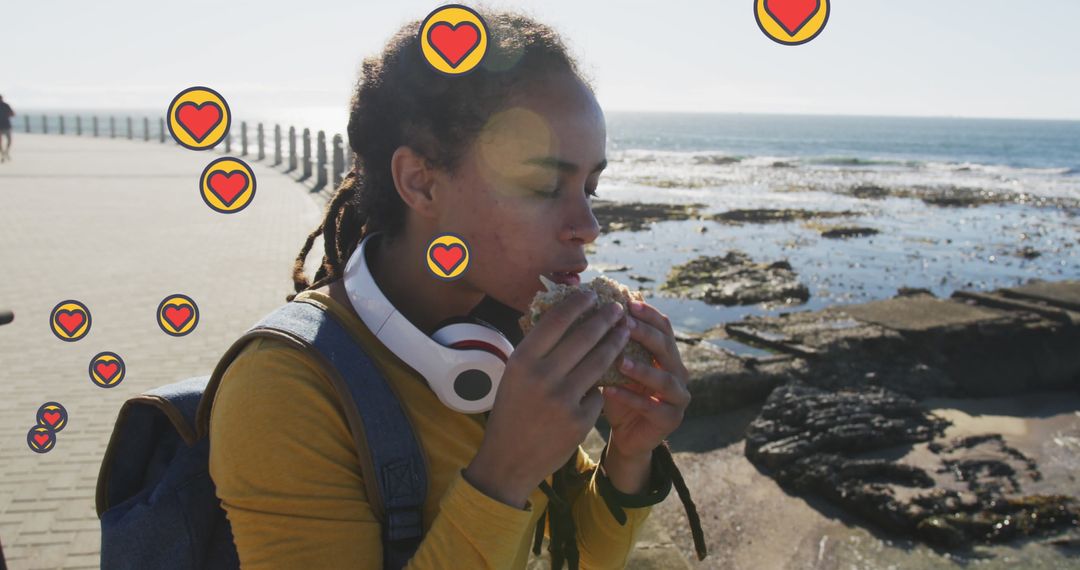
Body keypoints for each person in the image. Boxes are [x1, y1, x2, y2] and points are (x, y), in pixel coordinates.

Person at [206, 7, 699, 569]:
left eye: (591, 187)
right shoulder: (281, 389)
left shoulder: (510, 336)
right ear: (421, 182)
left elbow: (582, 553)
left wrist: (629, 454)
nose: (588, 225)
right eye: (543, 184)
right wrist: (505, 472)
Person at [0, 95, 14, 162]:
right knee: (9, 140)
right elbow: (13, 114)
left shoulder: (6, 105)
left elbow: (12, 114)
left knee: (7, 141)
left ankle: (4, 153)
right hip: (6, 125)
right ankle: (5, 152)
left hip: (5, 126)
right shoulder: (6, 105)